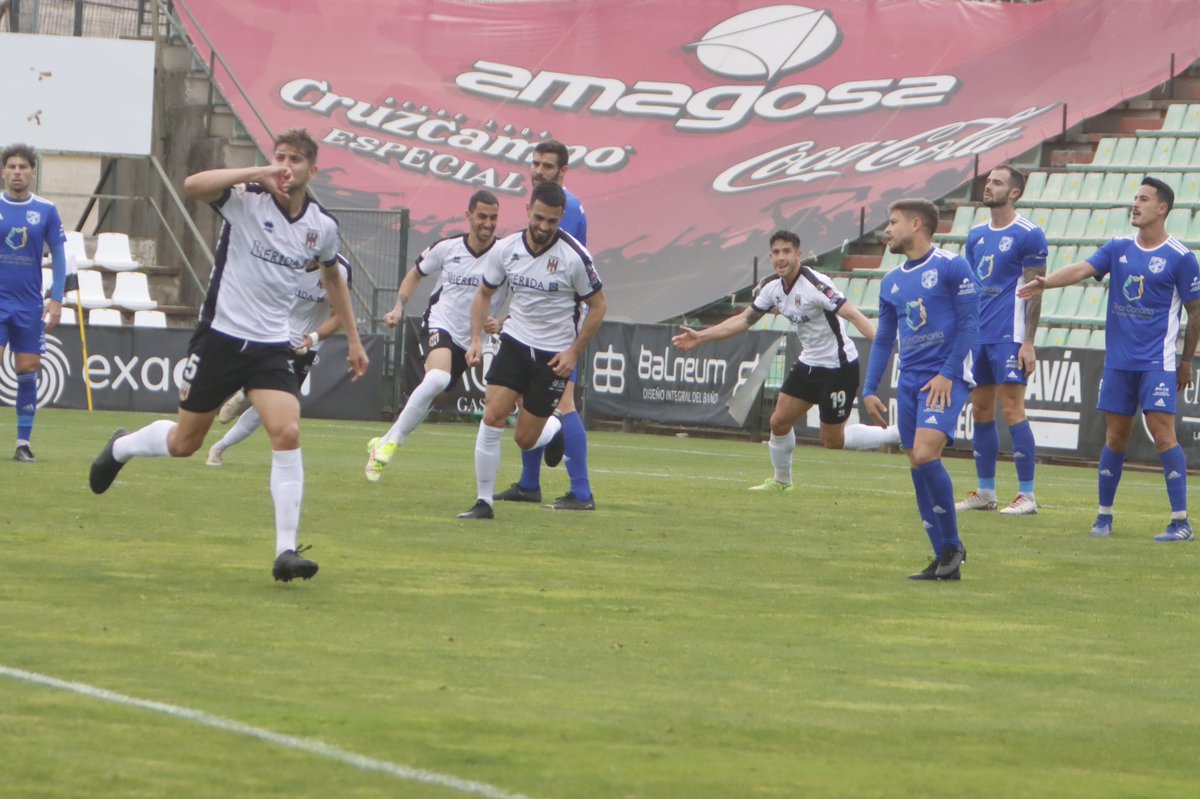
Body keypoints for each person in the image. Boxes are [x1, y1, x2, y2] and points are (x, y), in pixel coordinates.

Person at [87, 129, 369, 582]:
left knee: (287, 430)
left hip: (271, 346)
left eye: (295, 159)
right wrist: (258, 170)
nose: (285, 165)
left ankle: (285, 552)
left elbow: (335, 279)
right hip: (220, 337)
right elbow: (193, 186)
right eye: (279, 157)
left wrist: (353, 339)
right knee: (185, 443)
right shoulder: (246, 198)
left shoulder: (322, 226)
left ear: (312, 170)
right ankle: (120, 447)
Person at [1019, 176, 1200, 542]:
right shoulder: (1117, 246)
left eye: (1144, 199)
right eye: (1135, 198)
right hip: (1118, 363)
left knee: (1164, 436)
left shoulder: (1181, 258)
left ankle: (1181, 522)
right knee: (1115, 437)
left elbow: (1196, 313)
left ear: (1162, 208)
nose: (1135, 204)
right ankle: (1103, 518)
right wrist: (1046, 282)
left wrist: (1185, 361)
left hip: (1157, 364)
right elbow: (1083, 269)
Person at [672, 230, 900, 491]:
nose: (781, 258)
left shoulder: (816, 284)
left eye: (787, 251)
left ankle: (898, 434)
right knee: (778, 422)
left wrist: (886, 347)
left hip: (839, 367)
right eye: (776, 253)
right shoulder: (772, 288)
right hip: (808, 363)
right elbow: (743, 321)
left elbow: (854, 315)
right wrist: (701, 337)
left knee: (832, 441)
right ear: (771, 257)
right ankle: (782, 482)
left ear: (798, 255)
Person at [457, 180, 605, 519]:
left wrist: (574, 353)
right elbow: (483, 293)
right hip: (515, 342)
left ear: (560, 218)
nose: (543, 227)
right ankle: (483, 503)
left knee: (525, 439)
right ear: (527, 210)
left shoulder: (575, 258)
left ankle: (552, 431)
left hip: (552, 356)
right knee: (493, 414)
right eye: (538, 218)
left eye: (552, 221)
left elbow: (598, 306)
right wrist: (476, 338)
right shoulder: (506, 249)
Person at [862, 198, 980, 580]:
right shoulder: (891, 280)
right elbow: (883, 339)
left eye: (893, 222)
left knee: (927, 456)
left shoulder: (952, 266)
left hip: (944, 379)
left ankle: (954, 546)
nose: (887, 230)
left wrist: (948, 373)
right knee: (916, 466)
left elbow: (969, 324)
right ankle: (943, 561)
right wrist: (869, 388)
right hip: (909, 381)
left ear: (916, 225)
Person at [363, 190, 501, 480]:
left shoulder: (505, 255)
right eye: (482, 217)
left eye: (493, 218)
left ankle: (383, 441)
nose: (487, 223)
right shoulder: (447, 248)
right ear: (468, 216)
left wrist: (501, 321)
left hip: (472, 340)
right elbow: (415, 273)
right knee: (437, 378)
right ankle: (391, 443)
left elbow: (525, 297)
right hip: (441, 324)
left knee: (433, 395)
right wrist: (399, 307)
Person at [493, 139, 596, 509]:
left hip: (559, 324)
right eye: (535, 163)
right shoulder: (553, 202)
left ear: (562, 172)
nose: (538, 170)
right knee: (528, 401)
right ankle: (528, 483)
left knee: (563, 403)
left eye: (547, 166)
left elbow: (555, 272)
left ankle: (582, 492)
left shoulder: (559, 207)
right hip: (538, 322)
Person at [955, 165, 1049, 516]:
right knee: (980, 410)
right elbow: (969, 290)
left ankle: (1027, 495)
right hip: (979, 336)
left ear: (1015, 193)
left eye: (996, 182)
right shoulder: (976, 235)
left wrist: (1028, 341)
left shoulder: (1029, 234)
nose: (988, 186)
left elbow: (1035, 292)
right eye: (988, 180)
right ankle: (986, 491)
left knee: (1012, 410)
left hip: (1010, 336)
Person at [206, 254, 351, 466]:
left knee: (269, 408)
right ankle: (246, 390)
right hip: (274, 331)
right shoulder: (284, 256)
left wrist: (313, 338)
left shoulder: (341, 269)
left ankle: (219, 447)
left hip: (307, 344)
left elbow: (340, 315)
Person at [0, 143, 67, 463]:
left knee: (28, 371)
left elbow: (59, 256)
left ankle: (22, 444)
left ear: (32, 172)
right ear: (3, 171)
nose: (16, 172)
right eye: (11, 166)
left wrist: (56, 299)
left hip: (29, 305)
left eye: (22, 167)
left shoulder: (46, 210)